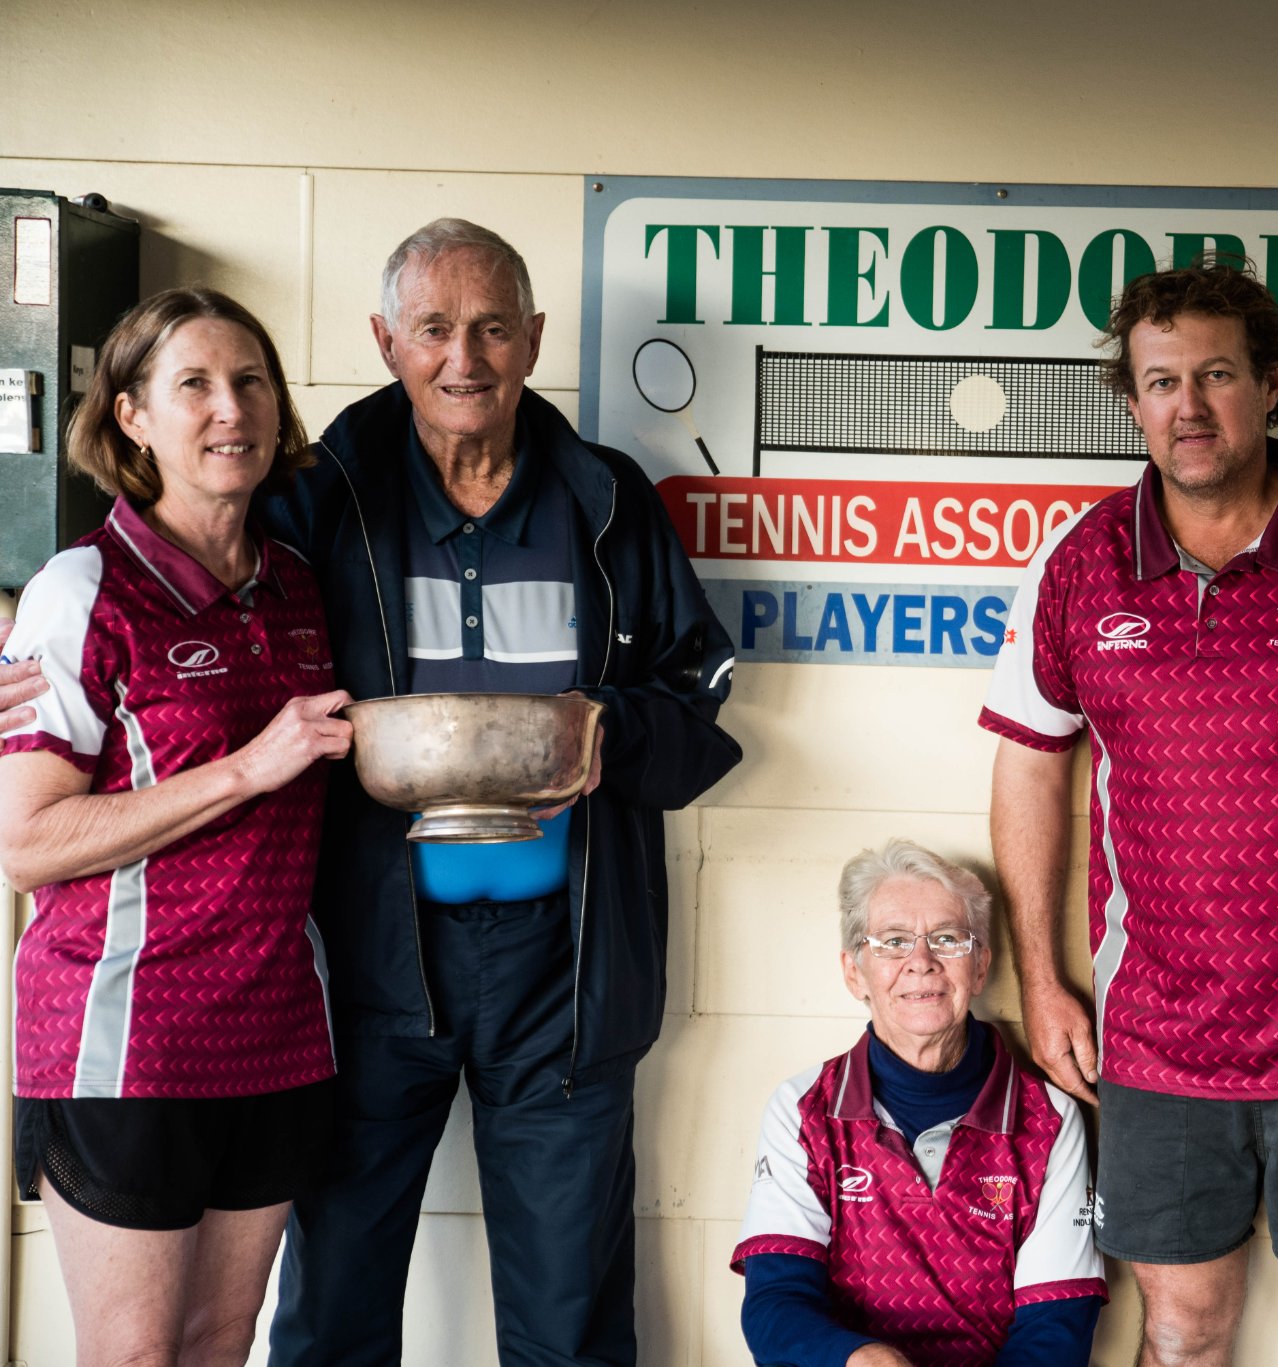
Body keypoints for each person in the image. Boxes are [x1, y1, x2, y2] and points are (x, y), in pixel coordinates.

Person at [261, 218, 742, 1367]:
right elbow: (216, 626)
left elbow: (698, 682)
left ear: (532, 337)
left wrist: (606, 729)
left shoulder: (607, 499)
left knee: (570, 1316)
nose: (462, 357)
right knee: (331, 1304)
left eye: (489, 327)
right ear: (386, 341)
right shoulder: (320, 497)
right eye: (433, 328)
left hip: (562, 965)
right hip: (371, 950)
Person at [982, 259, 1278, 1367]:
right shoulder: (1076, 562)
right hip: (1149, 1032)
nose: (1186, 407)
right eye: (1160, 382)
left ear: (1272, 384)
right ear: (1131, 401)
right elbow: (1027, 770)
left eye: (1214, 375)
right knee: (1181, 1327)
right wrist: (1045, 979)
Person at [0, 288, 350, 1366]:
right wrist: (246, 769)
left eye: (249, 380)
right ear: (130, 418)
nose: (229, 408)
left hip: (276, 1031)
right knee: (136, 1355)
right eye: (191, 384)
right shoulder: (83, 589)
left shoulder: (295, 583)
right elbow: (25, 840)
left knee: (218, 1342)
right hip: (127, 1039)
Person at [734, 839, 1106, 1366]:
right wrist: (864, 1360)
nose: (921, 962)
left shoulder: (1047, 1118)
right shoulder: (803, 1109)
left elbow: (1058, 1322)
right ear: (853, 972)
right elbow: (775, 1304)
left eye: (948, 939)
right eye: (892, 942)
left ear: (980, 968)